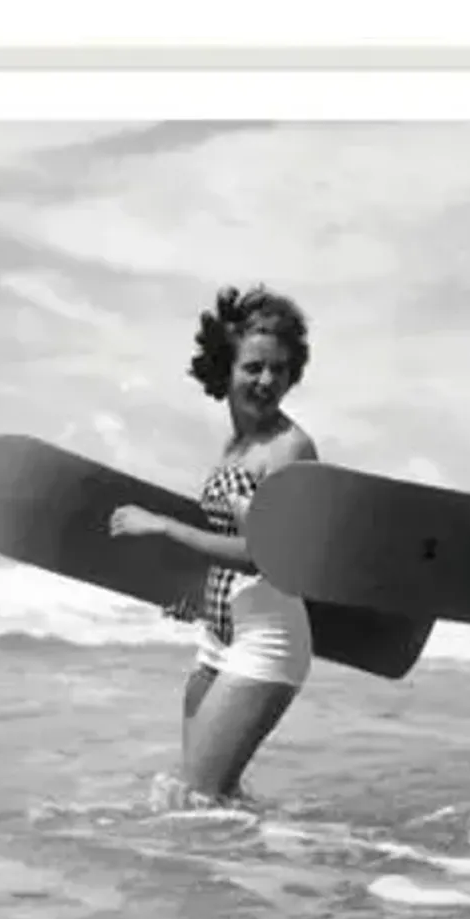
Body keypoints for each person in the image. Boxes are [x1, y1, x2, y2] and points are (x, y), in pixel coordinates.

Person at [107, 285, 318, 803]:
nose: (267, 380)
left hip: (267, 641)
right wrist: (194, 596)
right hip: (217, 638)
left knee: (189, 796)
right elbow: (224, 545)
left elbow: (266, 556)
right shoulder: (233, 449)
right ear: (225, 367)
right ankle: (281, 866)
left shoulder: (290, 449)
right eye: (253, 367)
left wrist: (164, 526)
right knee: (213, 801)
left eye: (279, 369)